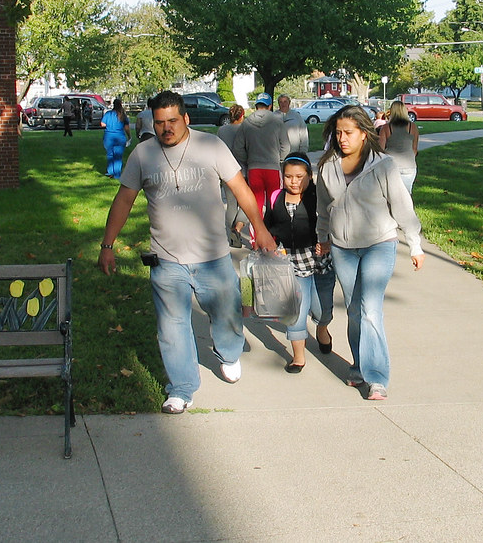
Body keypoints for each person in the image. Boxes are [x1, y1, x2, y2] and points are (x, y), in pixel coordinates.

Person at [98, 90, 276, 414]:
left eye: (172, 121)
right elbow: (124, 200)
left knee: (226, 314)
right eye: (160, 122)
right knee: (172, 327)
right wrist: (107, 245)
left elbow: (240, 188)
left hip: (213, 256)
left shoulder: (210, 146)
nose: (166, 128)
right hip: (167, 259)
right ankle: (181, 388)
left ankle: (229, 353)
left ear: (186, 119)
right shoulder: (143, 154)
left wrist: (260, 228)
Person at [316, 105, 425, 401]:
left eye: (348, 133)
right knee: (354, 310)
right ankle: (359, 366)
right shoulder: (327, 166)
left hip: (379, 243)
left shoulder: (383, 165)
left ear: (364, 133)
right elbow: (323, 208)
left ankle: (376, 378)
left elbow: (402, 206)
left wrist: (414, 244)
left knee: (371, 309)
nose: (342, 138)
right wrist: (323, 238)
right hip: (343, 247)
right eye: (338, 133)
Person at [263, 152, 331, 372]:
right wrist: (269, 246)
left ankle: (322, 328)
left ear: (310, 176)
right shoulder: (276, 197)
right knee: (296, 312)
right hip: (291, 264)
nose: (294, 182)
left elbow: (334, 223)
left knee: (322, 310)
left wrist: (327, 242)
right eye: (288, 176)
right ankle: (298, 357)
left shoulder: (318, 197)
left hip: (320, 263)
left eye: (299, 177)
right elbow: (268, 226)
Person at [234, 92, 289, 216]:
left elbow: (238, 148)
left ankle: (256, 228)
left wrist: (248, 159)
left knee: (256, 203)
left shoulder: (246, 123)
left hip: (254, 168)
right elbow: (286, 146)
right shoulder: (277, 122)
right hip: (272, 168)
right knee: (273, 202)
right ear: (270, 106)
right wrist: (279, 159)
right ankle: (272, 228)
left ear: (256, 106)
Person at [217, 104, 248, 247]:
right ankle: (238, 228)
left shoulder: (222, 130)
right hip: (242, 171)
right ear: (242, 115)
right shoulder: (245, 129)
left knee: (231, 204)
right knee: (246, 203)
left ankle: (228, 233)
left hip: (226, 171)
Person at [378, 101, 420, 194]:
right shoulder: (412, 127)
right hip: (409, 166)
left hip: (391, 166)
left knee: (391, 194)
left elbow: (380, 150)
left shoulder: (386, 128)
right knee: (406, 194)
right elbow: (414, 149)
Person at [100, 98, 132, 178]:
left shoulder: (108, 114)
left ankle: (110, 172)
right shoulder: (123, 116)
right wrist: (129, 136)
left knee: (110, 154)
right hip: (120, 137)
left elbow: (102, 124)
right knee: (118, 156)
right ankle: (117, 174)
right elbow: (127, 128)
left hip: (108, 137)